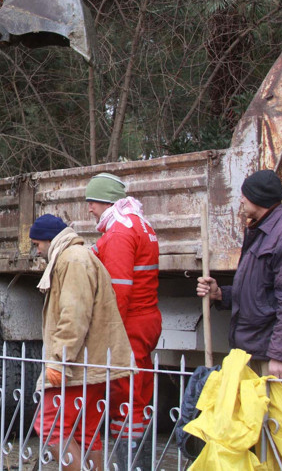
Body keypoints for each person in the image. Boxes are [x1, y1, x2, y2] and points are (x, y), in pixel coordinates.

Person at [196, 169, 282, 395]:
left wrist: (280, 355)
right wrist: (221, 293)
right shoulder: (263, 232)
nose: (241, 200)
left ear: (259, 198)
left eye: (245, 194)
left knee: (278, 427)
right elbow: (259, 292)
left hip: (272, 357)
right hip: (255, 351)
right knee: (255, 427)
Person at [30, 214, 132, 470]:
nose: (37, 249)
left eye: (37, 243)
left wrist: (59, 361)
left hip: (78, 365)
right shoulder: (75, 256)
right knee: (85, 430)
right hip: (92, 362)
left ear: (48, 239)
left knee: (49, 423)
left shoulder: (72, 259)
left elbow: (74, 315)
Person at [84, 173, 161, 447]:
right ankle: (138, 447)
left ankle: (128, 454)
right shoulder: (140, 224)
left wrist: (107, 330)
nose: (89, 208)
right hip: (146, 318)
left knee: (126, 389)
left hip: (130, 322)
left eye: (91, 202)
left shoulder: (119, 231)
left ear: (105, 201)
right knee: (139, 385)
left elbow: (119, 289)